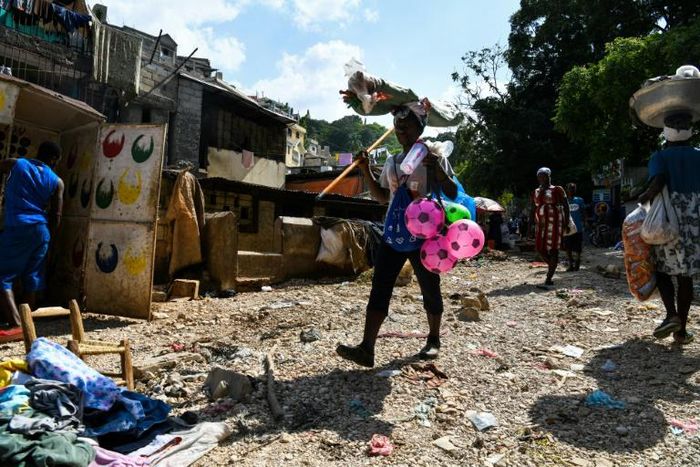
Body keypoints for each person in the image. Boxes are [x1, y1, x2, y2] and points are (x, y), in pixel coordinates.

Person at [336, 102, 457, 367]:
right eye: (398, 124)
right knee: (380, 286)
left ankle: (434, 339)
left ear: (420, 128)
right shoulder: (392, 162)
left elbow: (452, 193)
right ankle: (367, 348)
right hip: (394, 233)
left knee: (429, 286)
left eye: (407, 123)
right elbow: (382, 198)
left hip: (424, 236)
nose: (400, 127)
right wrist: (366, 169)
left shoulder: (432, 155)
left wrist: (436, 168)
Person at [638, 113, 699, 345]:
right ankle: (681, 331)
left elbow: (659, 181)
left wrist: (642, 199)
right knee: (686, 276)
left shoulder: (660, 156)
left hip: (667, 218)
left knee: (661, 270)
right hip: (694, 218)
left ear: (666, 133)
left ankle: (671, 314)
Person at [0, 142, 63, 337]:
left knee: (2, 276)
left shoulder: (15, 164)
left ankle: (16, 325)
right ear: (53, 160)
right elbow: (57, 214)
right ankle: (27, 326)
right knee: (32, 278)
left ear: (38, 152)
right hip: (41, 231)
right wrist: (49, 236)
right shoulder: (57, 181)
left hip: (18, 226)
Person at [530, 167, 569, 287]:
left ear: (549, 176)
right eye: (539, 176)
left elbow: (566, 205)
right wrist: (530, 225)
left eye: (544, 176)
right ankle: (553, 265)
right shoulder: (536, 191)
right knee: (539, 248)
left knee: (553, 250)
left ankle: (549, 277)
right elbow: (533, 208)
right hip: (541, 224)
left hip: (555, 222)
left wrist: (566, 222)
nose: (541, 178)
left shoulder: (557, 189)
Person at [563, 182, 586, 271]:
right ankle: (570, 265)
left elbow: (583, 212)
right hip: (568, 227)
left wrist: (585, 221)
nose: (571, 190)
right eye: (570, 188)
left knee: (578, 247)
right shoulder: (564, 201)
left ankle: (577, 263)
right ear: (567, 190)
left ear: (575, 190)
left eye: (573, 188)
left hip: (578, 228)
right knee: (568, 247)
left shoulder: (579, 200)